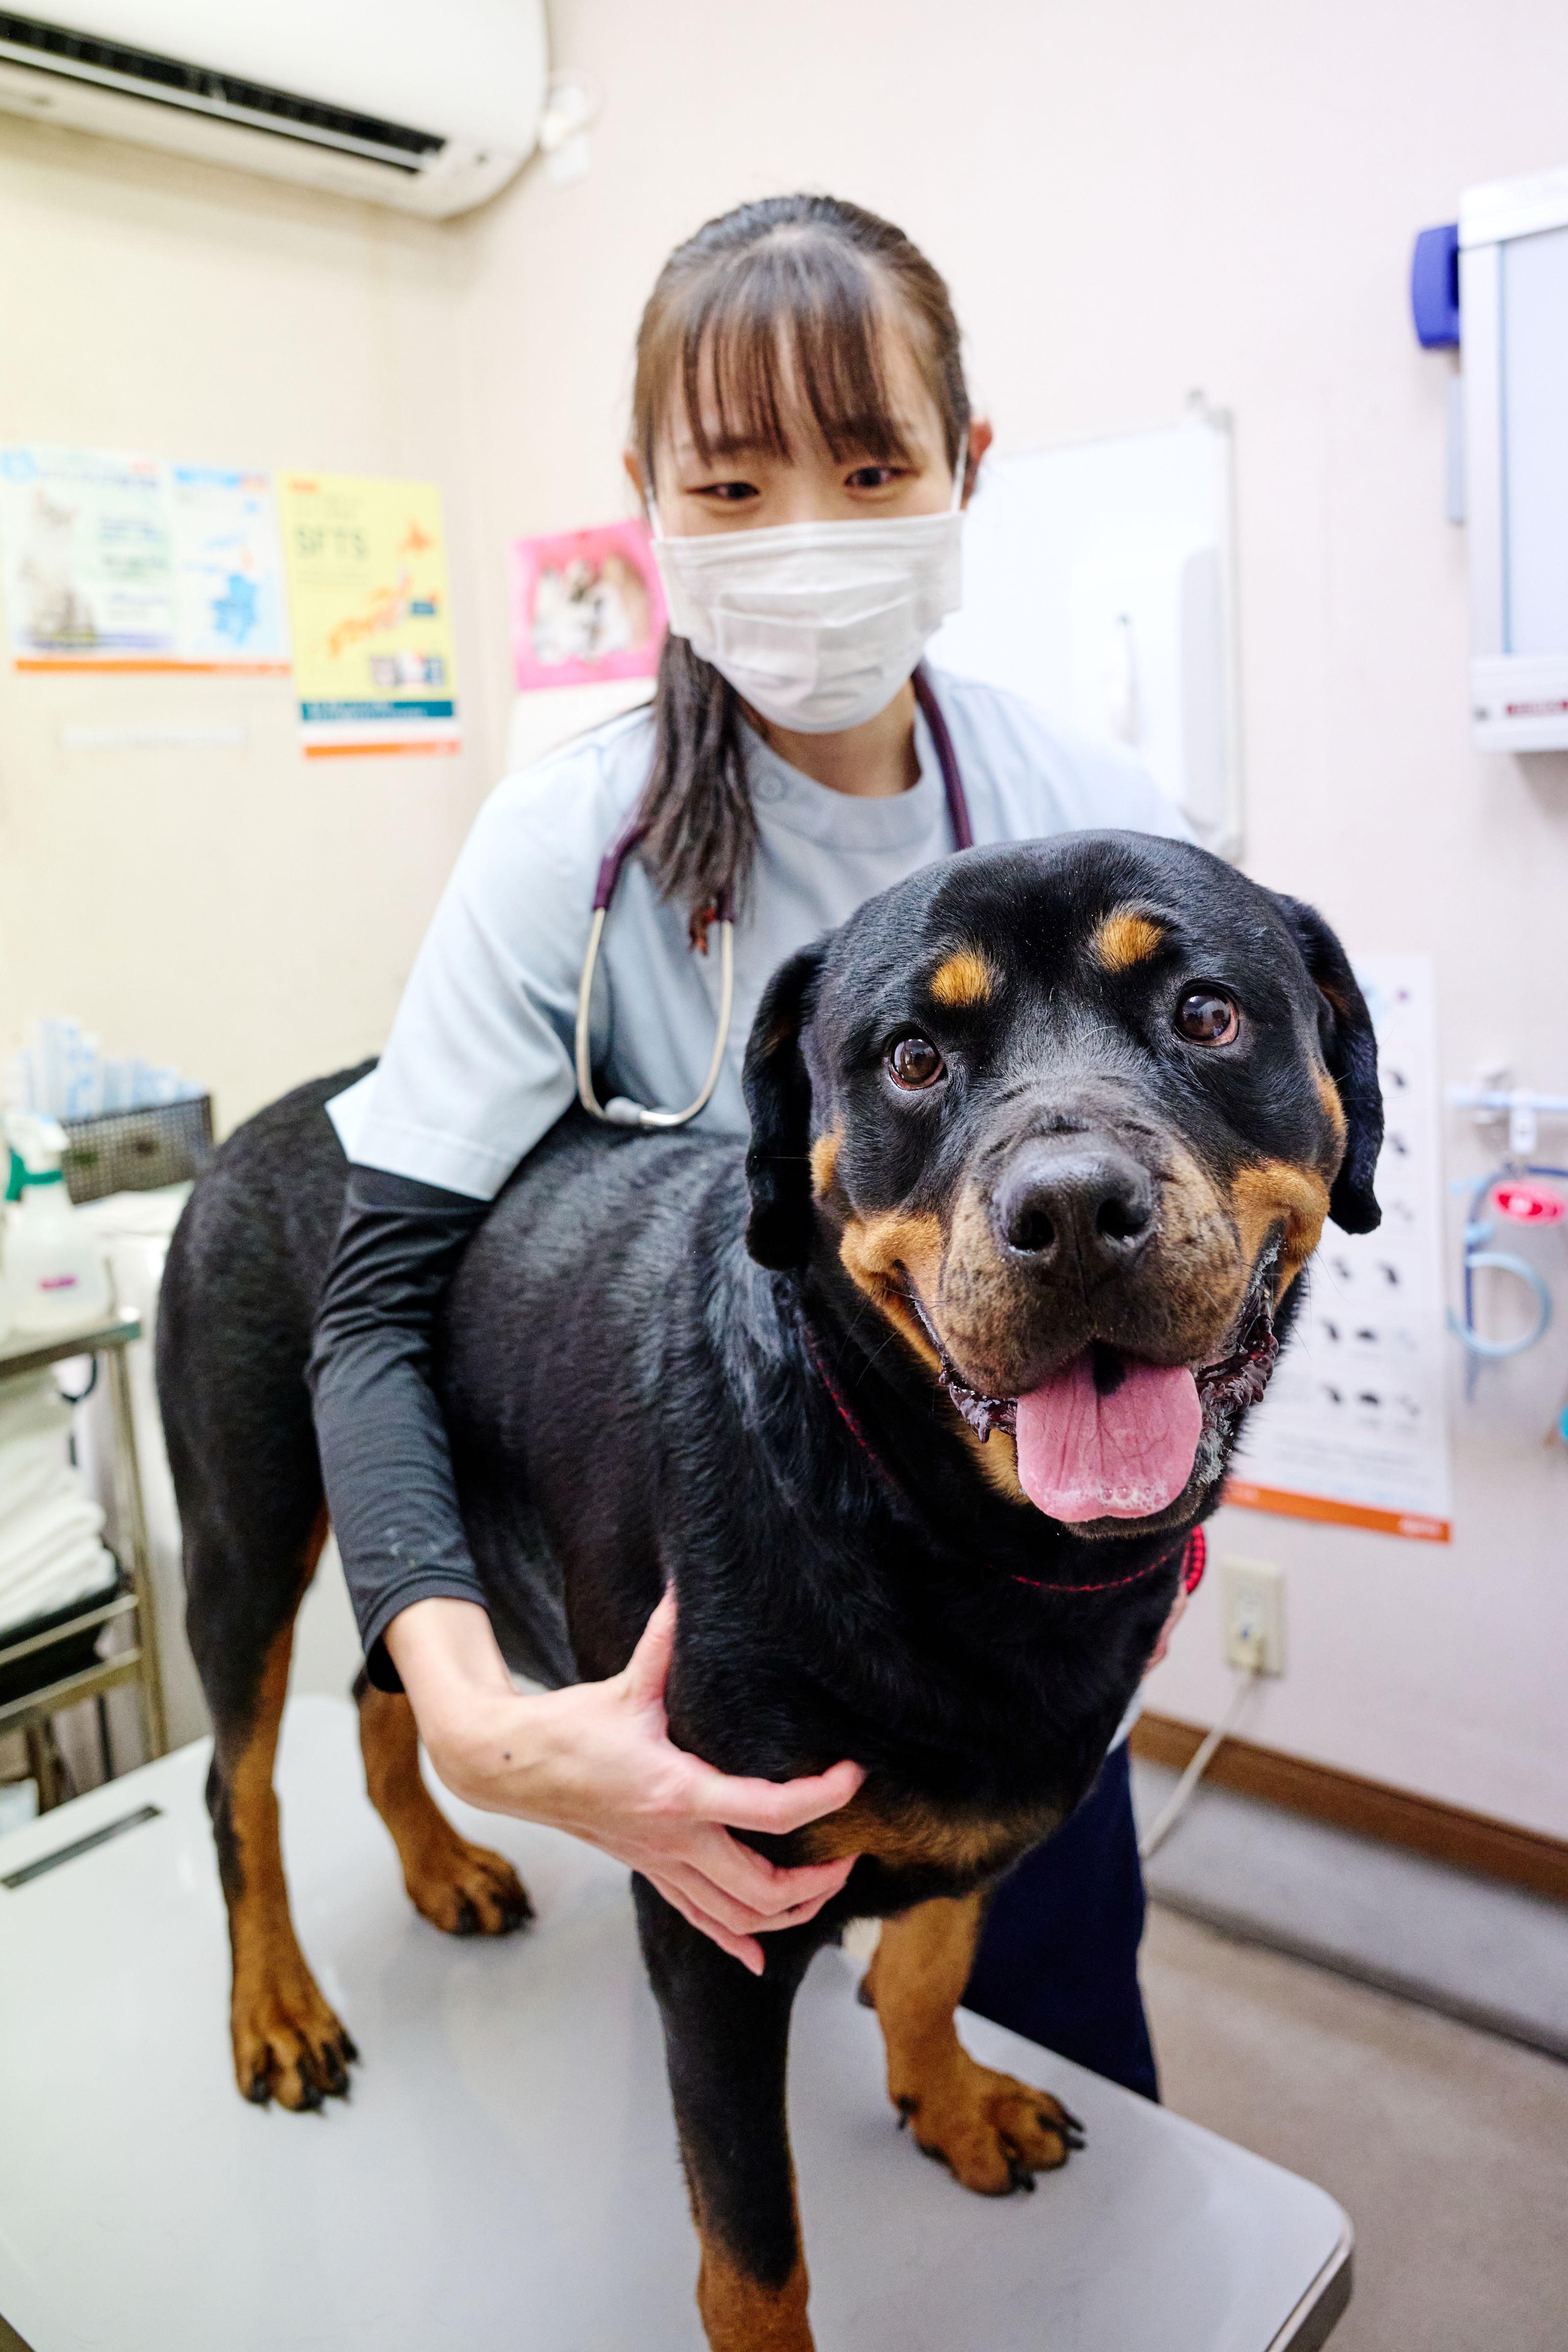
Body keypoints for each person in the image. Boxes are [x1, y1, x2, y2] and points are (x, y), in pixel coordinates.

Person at [311, 192, 1187, 2099]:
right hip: (737, 1640)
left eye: (870, 466)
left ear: (963, 470)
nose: (803, 536)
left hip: (1042, 1642)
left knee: (1065, 2106)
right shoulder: (573, 847)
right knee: (717, 2078)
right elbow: (368, 1316)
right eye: (729, 486)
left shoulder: (1091, 816)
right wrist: (475, 1725)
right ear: (645, 499)